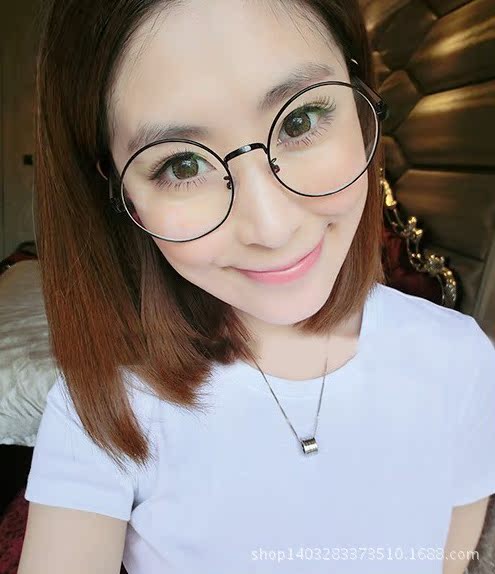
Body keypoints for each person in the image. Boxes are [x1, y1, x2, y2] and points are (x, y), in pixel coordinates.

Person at [18, 0, 495, 573]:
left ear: (359, 97)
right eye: (182, 166)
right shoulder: (104, 406)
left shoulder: (461, 360)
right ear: (118, 191)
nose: (272, 228)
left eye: (300, 121)